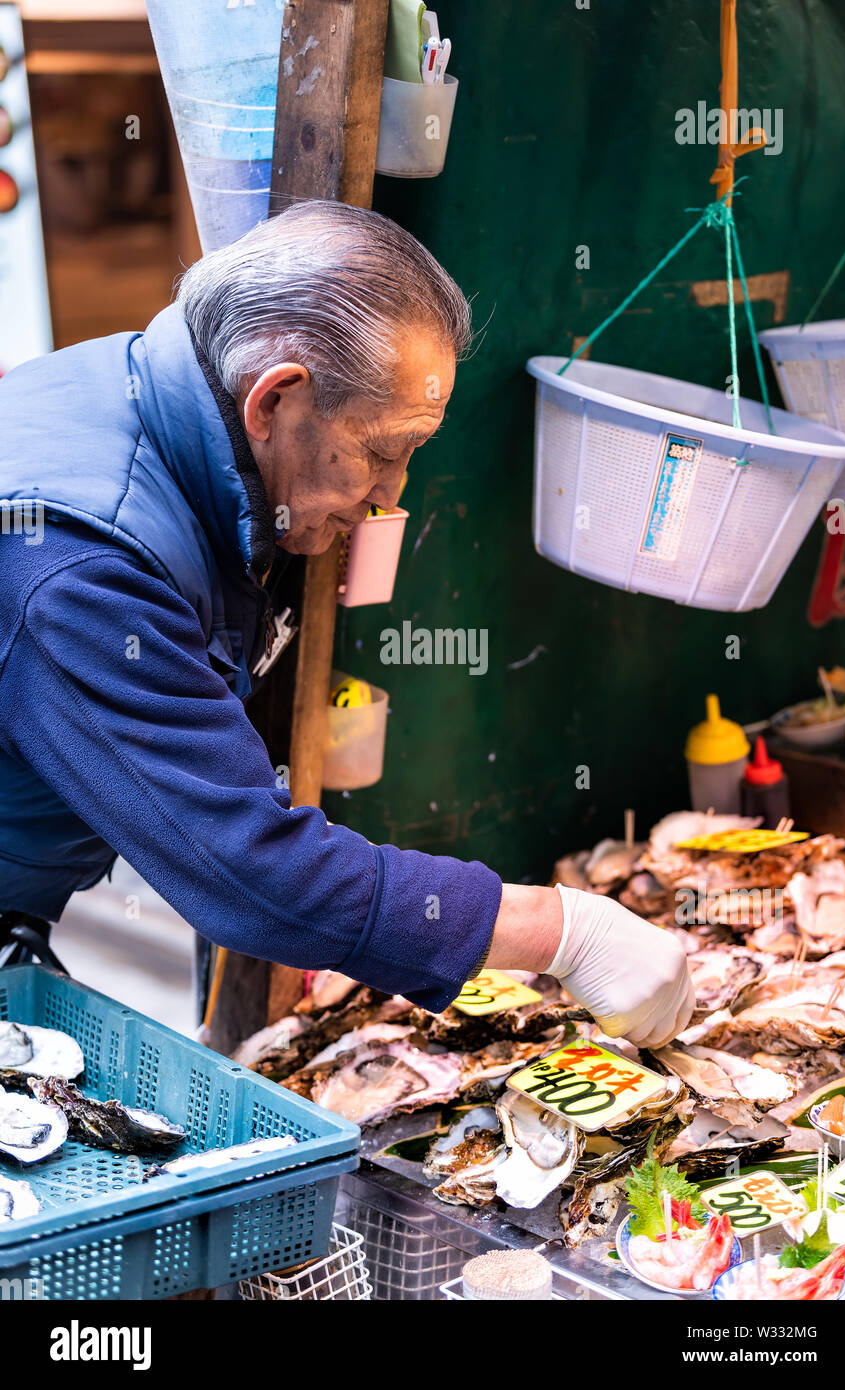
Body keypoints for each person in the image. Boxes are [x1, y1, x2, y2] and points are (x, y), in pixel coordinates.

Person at [0, 200, 693, 1047]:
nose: (389, 497)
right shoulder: (77, 563)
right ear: (276, 400)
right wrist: (566, 933)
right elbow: (252, 875)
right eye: (384, 451)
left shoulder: (151, 391)